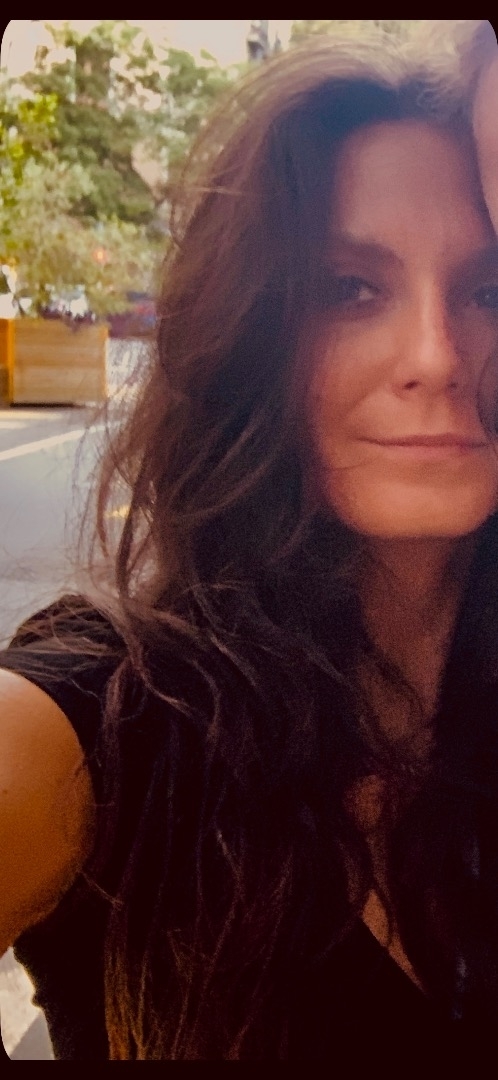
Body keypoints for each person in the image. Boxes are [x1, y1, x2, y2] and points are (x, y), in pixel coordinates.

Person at [0, 19, 498, 1063]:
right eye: (348, 289)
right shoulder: (115, 717)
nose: (437, 354)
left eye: (488, 291)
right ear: (249, 336)